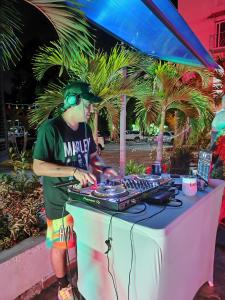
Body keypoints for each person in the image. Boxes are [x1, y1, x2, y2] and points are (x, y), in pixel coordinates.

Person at [33, 81, 117, 300]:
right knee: (62, 244)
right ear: (72, 102)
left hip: (84, 198)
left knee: (84, 242)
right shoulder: (50, 129)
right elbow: (37, 166)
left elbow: (92, 157)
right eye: (87, 105)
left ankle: (85, 281)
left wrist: (106, 169)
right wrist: (73, 171)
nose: (91, 110)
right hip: (60, 201)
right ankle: (63, 287)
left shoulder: (85, 128)